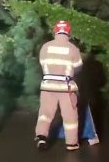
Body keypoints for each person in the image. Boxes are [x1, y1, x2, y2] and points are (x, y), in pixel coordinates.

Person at [34, 20, 83, 151]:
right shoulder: (73, 49)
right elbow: (78, 68)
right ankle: (71, 143)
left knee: (45, 113)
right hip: (65, 88)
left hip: (47, 86)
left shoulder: (45, 47)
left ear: (55, 31)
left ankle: (41, 136)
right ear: (68, 32)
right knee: (70, 116)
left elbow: (42, 63)